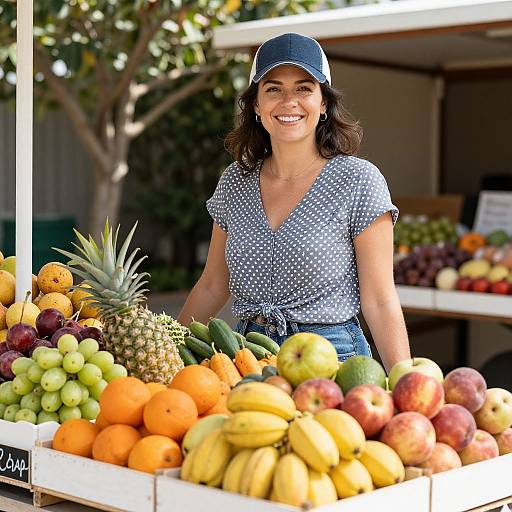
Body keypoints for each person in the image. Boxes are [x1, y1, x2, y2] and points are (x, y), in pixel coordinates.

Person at [178, 32, 410, 371]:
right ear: (256, 105)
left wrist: (405, 381)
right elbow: (213, 284)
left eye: (304, 88)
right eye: (273, 89)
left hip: (331, 360)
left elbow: (379, 299)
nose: (289, 101)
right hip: (247, 359)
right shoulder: (234, 182)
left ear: (324, 103)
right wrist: (168, 351)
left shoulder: (358, 180)